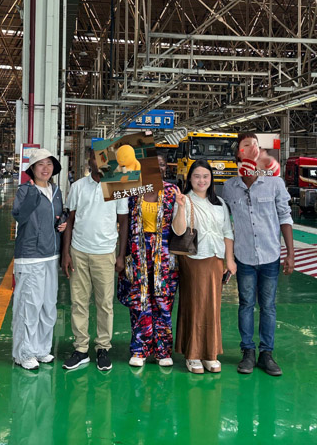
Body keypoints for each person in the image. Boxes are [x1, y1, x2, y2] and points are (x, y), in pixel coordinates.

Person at [221, 133, 295, 376]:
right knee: (246, 305)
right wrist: (225, 258)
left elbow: (285, 217)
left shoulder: (274, 183)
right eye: (246, 146)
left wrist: (290, 254)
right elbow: (222, 222)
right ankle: (248, 352)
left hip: (270, 256)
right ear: (238, 156)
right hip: (243, 258)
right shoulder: (230, 188)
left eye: (256, 145)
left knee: (268, 306)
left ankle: (266, 354)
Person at [61, 147, 129, 371]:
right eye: (95, 158)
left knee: (105, 304)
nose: (99, 162)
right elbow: (70, 220)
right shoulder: (78, 186)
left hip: (105, 253)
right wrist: (66, 253)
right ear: (89, 161)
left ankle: (103, 348)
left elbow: (123, 222)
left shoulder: (116, 186)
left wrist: (120, 255)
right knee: (79, 303)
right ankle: (81, 349)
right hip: (79, 252)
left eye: (104, 159)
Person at [117, 153, 180, 367]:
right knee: (139, 301)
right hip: (138, 253)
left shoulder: (172, 191)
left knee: (163, 301)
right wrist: (121, 255)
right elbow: (123, 223)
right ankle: (140, 349)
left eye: (161, 164)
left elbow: (180, 225)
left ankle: (163, 351)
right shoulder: (132, 191)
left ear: (165, 168)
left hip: (165, 256)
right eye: (152, 164)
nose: (157, 167)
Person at [172, 160, 235, 374]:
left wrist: (229, 260)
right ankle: (192, 354)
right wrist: (181, 207)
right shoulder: (185, 200)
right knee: (195, 304)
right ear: (190, 178)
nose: (201, 180)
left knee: (212, 306)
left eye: (206, 176)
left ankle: (210, 353)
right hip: (194, 259)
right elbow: (178, 231)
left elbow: (227, 232)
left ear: (211, 179)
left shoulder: (219, 204)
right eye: (197, 176)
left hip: (215, 259)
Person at [11, 148, 67, 370]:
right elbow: (20, 216)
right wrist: (34, 195)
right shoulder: (25, 190)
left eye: (49, 164)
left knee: (48, 306)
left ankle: (42, 349)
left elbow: (57, 214)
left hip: (51, 255)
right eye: (41, 164)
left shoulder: (56, 191)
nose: (45, 168)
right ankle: (24, 353)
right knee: (29, 306)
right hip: (30, 256)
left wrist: (62, 221)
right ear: (32, 168)